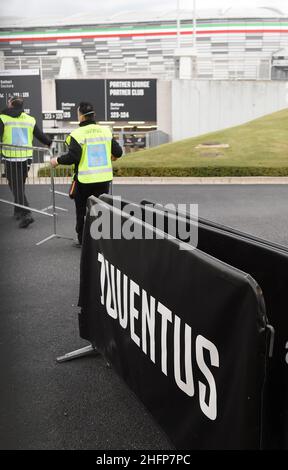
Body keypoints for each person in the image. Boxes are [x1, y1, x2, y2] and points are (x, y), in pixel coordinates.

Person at [50, 101, 122, 245]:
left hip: (84, 180)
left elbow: (73, 157)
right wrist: (112, 156)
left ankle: (83, 240)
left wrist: (57, 160)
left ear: (81, 116)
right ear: (93, 115)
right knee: (100, 209)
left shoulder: (77, 134)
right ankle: (101, 240)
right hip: (103, 179)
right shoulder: (106, 131)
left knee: (82, 211)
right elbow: (118, 152)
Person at [0, 97, 52, 228]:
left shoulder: (3, 118)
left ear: (10, 104)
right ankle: (17, 210)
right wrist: (49, 143)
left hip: (11, 158)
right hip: (27, 159)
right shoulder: (30, 119)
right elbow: (40, 135)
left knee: (15, 187)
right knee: (19, 185)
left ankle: (26, 213)